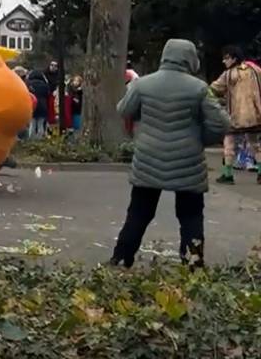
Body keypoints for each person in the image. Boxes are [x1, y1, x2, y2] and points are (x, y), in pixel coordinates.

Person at [109, 39, 230, 269]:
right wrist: (201, 139)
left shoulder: (142, 84)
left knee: (138, 213)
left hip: (148, 159)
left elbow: (124, 109)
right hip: (188, 162)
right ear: (190, 59)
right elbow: (221, 123)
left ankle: (121, 257)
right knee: (191, 216)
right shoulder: (199, 89)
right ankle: (193, 262)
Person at [210, 45, 261, 185]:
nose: (223, 61)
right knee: (255, 144)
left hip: (235, 117)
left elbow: (213, 89)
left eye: (226, 58)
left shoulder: (228, 74)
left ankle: (228, 174)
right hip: (255, 116)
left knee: (229, 144)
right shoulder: (255, 69)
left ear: (234, 58)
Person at [25, 69, 51, 137]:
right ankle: (39, 139)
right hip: (43, 106)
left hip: (32, 106)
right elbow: (48, 94)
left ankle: (31, 140)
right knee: (40, 125)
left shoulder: (28, 84)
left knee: (32, 124)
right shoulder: (45, 85)